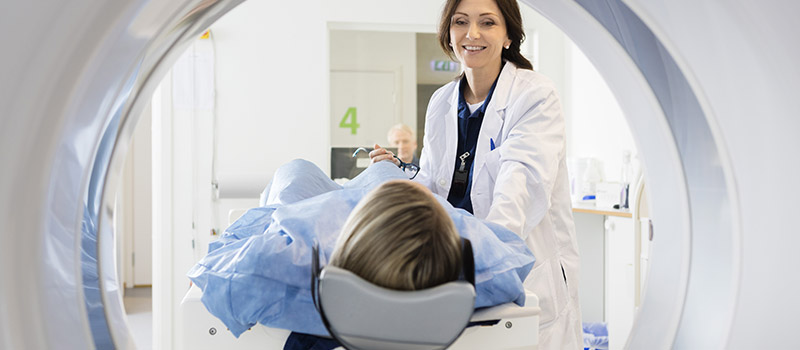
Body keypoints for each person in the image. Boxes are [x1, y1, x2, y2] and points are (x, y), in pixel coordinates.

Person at [369, 0, 582, 347]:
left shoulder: (534, 95)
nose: (472, 34)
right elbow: (437, 184)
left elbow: (519, 187)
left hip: (516, 270)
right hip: (453, 266)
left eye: (487, 23)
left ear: (509, 36)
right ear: (448, 33)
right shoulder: (441, 102)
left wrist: (486, 262)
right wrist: (400, 177)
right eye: (461, 22)